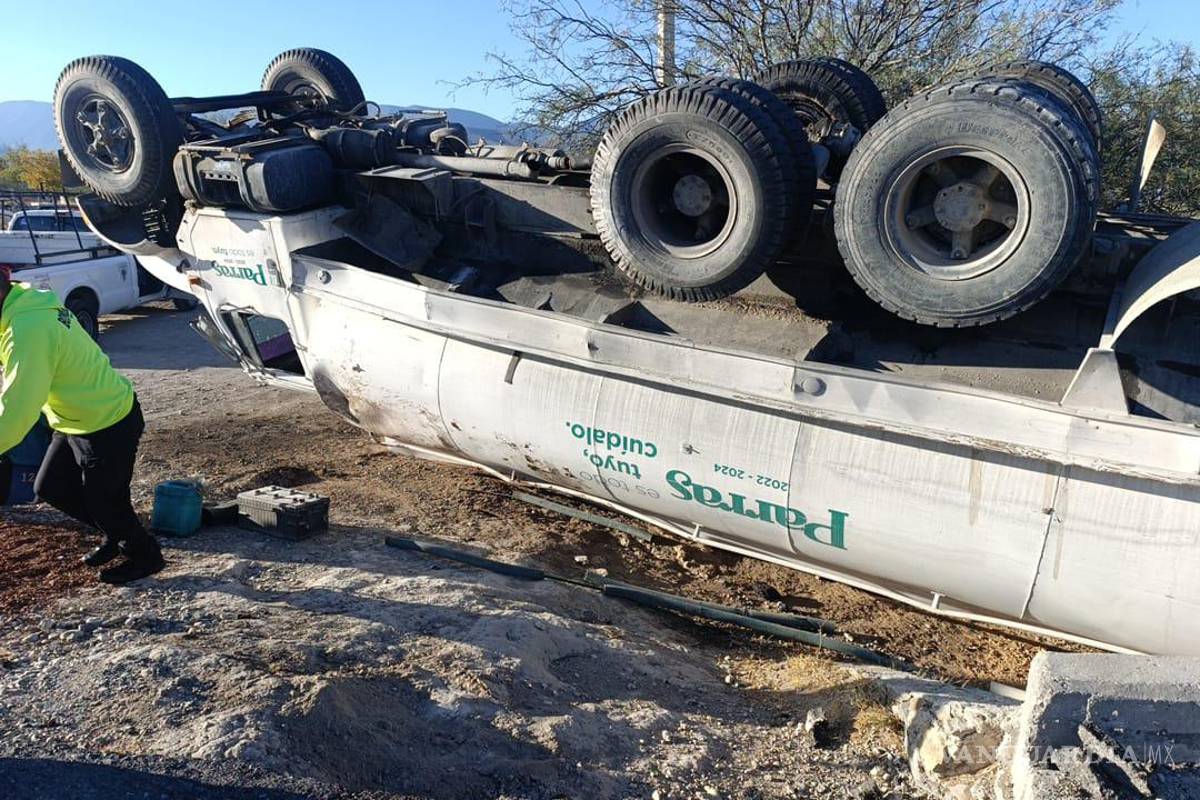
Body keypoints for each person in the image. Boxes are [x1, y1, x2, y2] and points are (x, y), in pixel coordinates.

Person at [0, 266, 164, 583]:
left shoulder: (28, 328)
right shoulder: (23, 304)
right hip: (75, 418)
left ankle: (145, 555)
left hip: (107, 420)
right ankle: (115, 533)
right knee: (51, 487)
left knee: (104, 501)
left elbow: (18, 409)